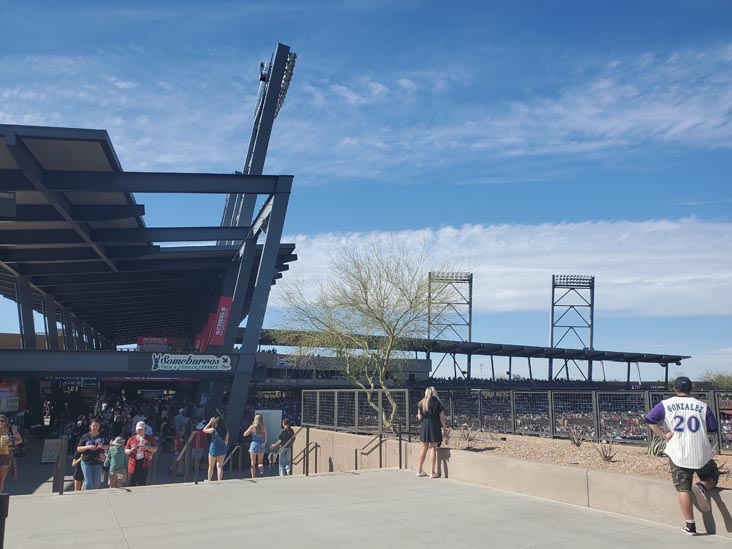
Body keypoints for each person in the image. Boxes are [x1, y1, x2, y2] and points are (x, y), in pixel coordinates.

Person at [644, 376, 719, 535]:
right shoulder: (702, 406)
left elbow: (650, 419)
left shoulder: (666, 404)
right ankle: (702, 486)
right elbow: (712, 428)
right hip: (701, 450)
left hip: (677, 451)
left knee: (683, 489)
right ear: (691, 389)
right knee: (712, 475)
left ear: (675, 389)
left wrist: (664, 436)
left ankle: (690, 525)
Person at [416, 387, 448, 478]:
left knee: (423, 448)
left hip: (425, 426)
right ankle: (432, 472)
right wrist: (445, 430)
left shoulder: (421, 403)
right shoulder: (438, 403)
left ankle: (419, 470)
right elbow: (442, 419)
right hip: (434, 426)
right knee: (433, 449)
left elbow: (419, 417)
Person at [77, 418, 108, 490]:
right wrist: (88, 447)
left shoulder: (103, 436)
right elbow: (78, 449)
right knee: (88, 483)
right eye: (93, 425)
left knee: (97, 483)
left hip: (98, 462)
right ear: (90, 426)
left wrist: (102, 446)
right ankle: (87, 497)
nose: (95, 427)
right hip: (87, 461)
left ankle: (93, 495)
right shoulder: (85, 436)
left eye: (97, 425)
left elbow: (108, 446)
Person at [125, 421, 158, 487]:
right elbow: (126, 449)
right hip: (133, 462)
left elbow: (155, 449)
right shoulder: (131, 439)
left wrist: (147, 448)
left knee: (142, 483)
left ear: (144, 430)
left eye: (141, 429)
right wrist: (130, 451)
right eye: (138, 429)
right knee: (131, 483)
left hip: (144, 462)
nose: (139, 431)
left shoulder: (149, 438)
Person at [0, 414, 22, 493]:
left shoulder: (11, 429)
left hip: (5, 454)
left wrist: (11, 443)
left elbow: (20, 440)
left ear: (6, 422)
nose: (0, 422)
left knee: (1, 479)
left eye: (2, 421)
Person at [202, 417, 228, 481]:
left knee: (211, 466)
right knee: (219, 466)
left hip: (213, 448)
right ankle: (219, 480)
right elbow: (226, 442)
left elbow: (204, 430)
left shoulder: (213, 430)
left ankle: (209, 479)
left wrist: (209, 423)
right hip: (222, 448)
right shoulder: (226, 431)